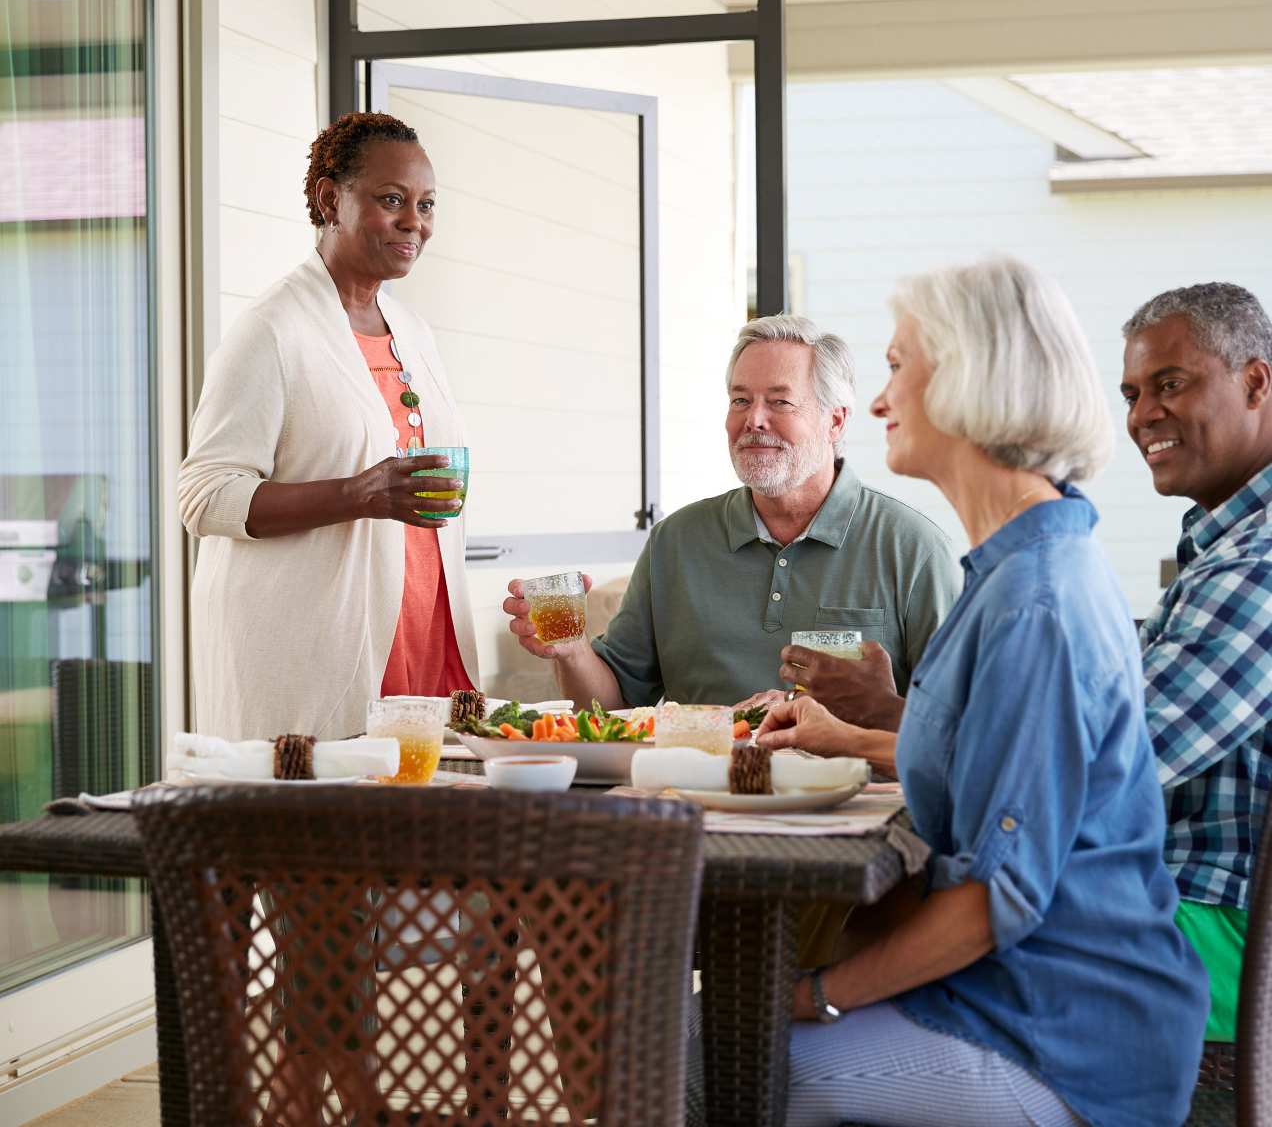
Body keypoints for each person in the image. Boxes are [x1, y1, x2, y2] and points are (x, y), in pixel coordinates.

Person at [754, 257, 1208, 1127]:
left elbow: (994, 904)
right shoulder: (1010, 568)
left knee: (708, 1055)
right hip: (1019, 995)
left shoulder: (1037, 598)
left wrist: (811, 995)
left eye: (897, 366)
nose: (880, 402)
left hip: (1066, 1034)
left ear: (968, 376)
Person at [179, 112, 479, 741]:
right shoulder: (271, 330)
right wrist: (358, 494)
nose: (414, 222)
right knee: (318, 831)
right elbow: (204, 496)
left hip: (421, 637)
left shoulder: (414, 333)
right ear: (329, 199)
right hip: (315, 649)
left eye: (426, 205)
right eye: (391, 200)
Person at [503, 314, 961, 713]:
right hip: (696, 797)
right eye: (741, 400)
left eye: (780, 401)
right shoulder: (675, 542)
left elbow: (956, 722)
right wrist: (573, 652)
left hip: (854, 801)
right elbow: (612, 708)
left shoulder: (914, 548)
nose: (753, 419)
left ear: (835, 421)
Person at [1121, 282, 1272, 1046]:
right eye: (1133, 393)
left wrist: (896, 732)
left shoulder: (1259, 565)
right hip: (1186, 904)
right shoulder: (1223, 550)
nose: (1142, 414)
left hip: (1223, 940)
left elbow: (1113, 763)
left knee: (923, 923)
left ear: (1255, 382)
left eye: (1169, 384)